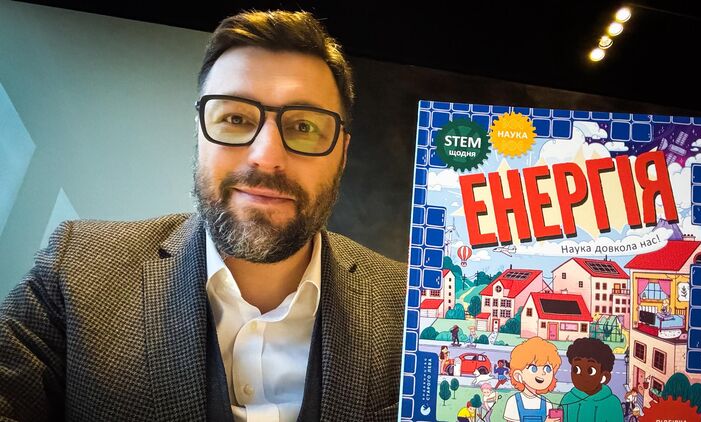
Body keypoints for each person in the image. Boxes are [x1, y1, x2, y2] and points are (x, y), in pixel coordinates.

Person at [0, 10, 406, 422]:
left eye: (303, 127)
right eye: (235, 119)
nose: (266, 157)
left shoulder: (417, 304)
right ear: (200, 130)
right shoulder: (75, 269)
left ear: (342, 152)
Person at [560, 338, 623, 422]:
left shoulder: (612, 403)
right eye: (576, 369)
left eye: (590, 371)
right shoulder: (568, 399)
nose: (582, 375)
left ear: (604, 377)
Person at [504, 337, 561, 422]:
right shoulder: (513, 401)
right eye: (533, 368)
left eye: (547, 369)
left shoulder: (547, 403)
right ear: (518, 375)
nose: (542, 373)